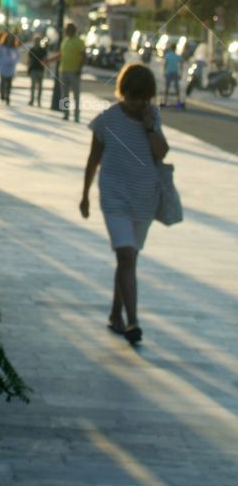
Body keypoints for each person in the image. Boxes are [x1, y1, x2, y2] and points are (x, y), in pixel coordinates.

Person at [79, 62, 169, 345]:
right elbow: (93, 159)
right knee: (126, 256)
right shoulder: (106, 120)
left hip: (144, 198)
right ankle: (133, 322)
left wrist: (150, 128)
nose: (137, 103)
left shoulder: (151, 116)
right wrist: (84, 195)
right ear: (123, 92)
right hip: (115, 196)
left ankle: (116, 312)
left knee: (128, 258)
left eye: (143, 97)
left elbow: (161, 153)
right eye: (133, 96)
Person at [50, 22, 86, 122]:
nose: (65, 31)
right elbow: (61, 54)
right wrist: (49, 60)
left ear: (71, 30)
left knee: (76, 94)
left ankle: (76, 115)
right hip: (63, 70)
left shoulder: (79, 41)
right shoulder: (64, 41)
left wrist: (79, 68)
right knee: (64, 94)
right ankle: (66, 114)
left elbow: (83, 56)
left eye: (67, 29)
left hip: (74, 71)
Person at [0, 31, 19, 104]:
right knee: (3, 81)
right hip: (3, 66)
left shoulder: (14, 48)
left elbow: (17, 57)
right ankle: (2, 94)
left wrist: (14, 62)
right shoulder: (2, 47)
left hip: (11, 67)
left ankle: (8, 96)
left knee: (9, 83)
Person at [27, 36, 48, 106]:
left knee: (40, 87)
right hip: (33, 69)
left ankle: (38, 100)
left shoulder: (43, 50)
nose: (36, 42)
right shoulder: (32, 50)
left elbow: (45, 59)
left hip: (40, 70)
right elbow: (29, 60)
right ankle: (32, 100)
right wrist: (28, 69)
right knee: (33, 86)